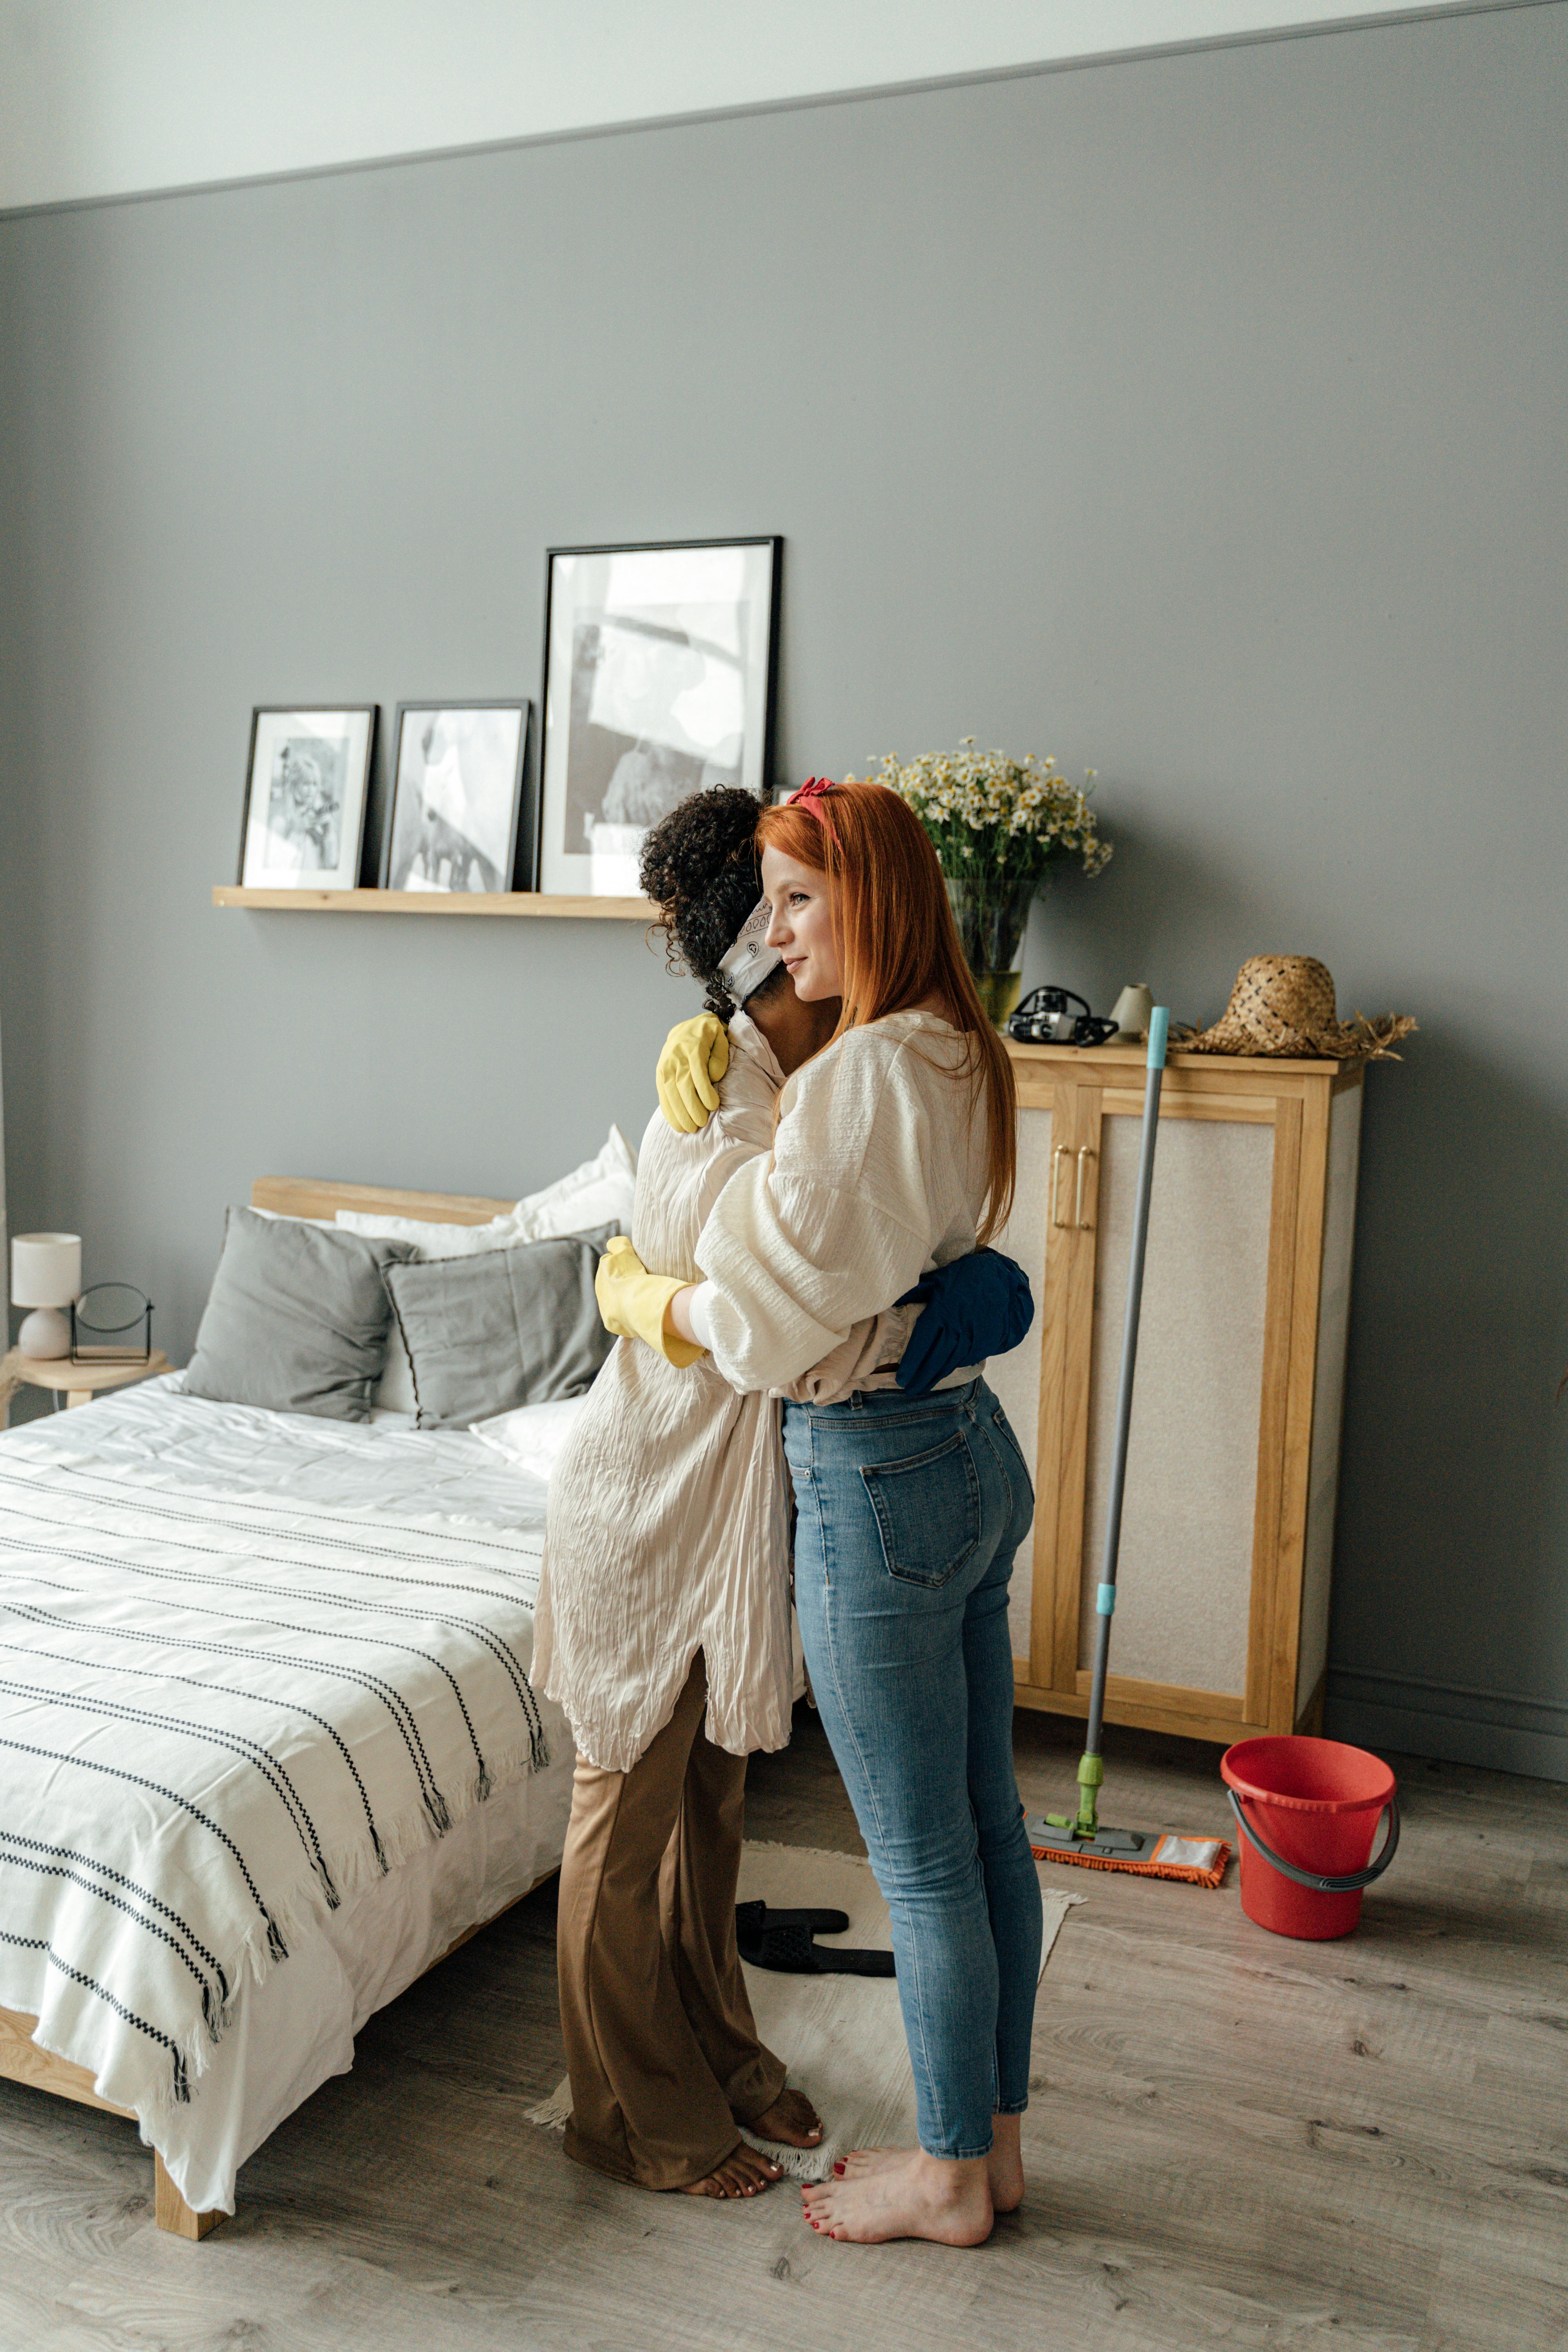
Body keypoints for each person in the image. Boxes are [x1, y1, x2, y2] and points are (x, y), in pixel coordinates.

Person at [535, 785, 1027, 2205]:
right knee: (628, 1823)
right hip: (655, 1498)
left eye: (797, 907)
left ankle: (722, 2054)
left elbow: (841, 1257)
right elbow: (764, 1316)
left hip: (747, 1513)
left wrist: (951, 1297)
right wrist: (642, 1299)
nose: (780, 948)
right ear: (730, 955)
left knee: (713, 1816)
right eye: (761, 924)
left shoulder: (863, 1053)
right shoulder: (729, 1083)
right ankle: (629, 2117)